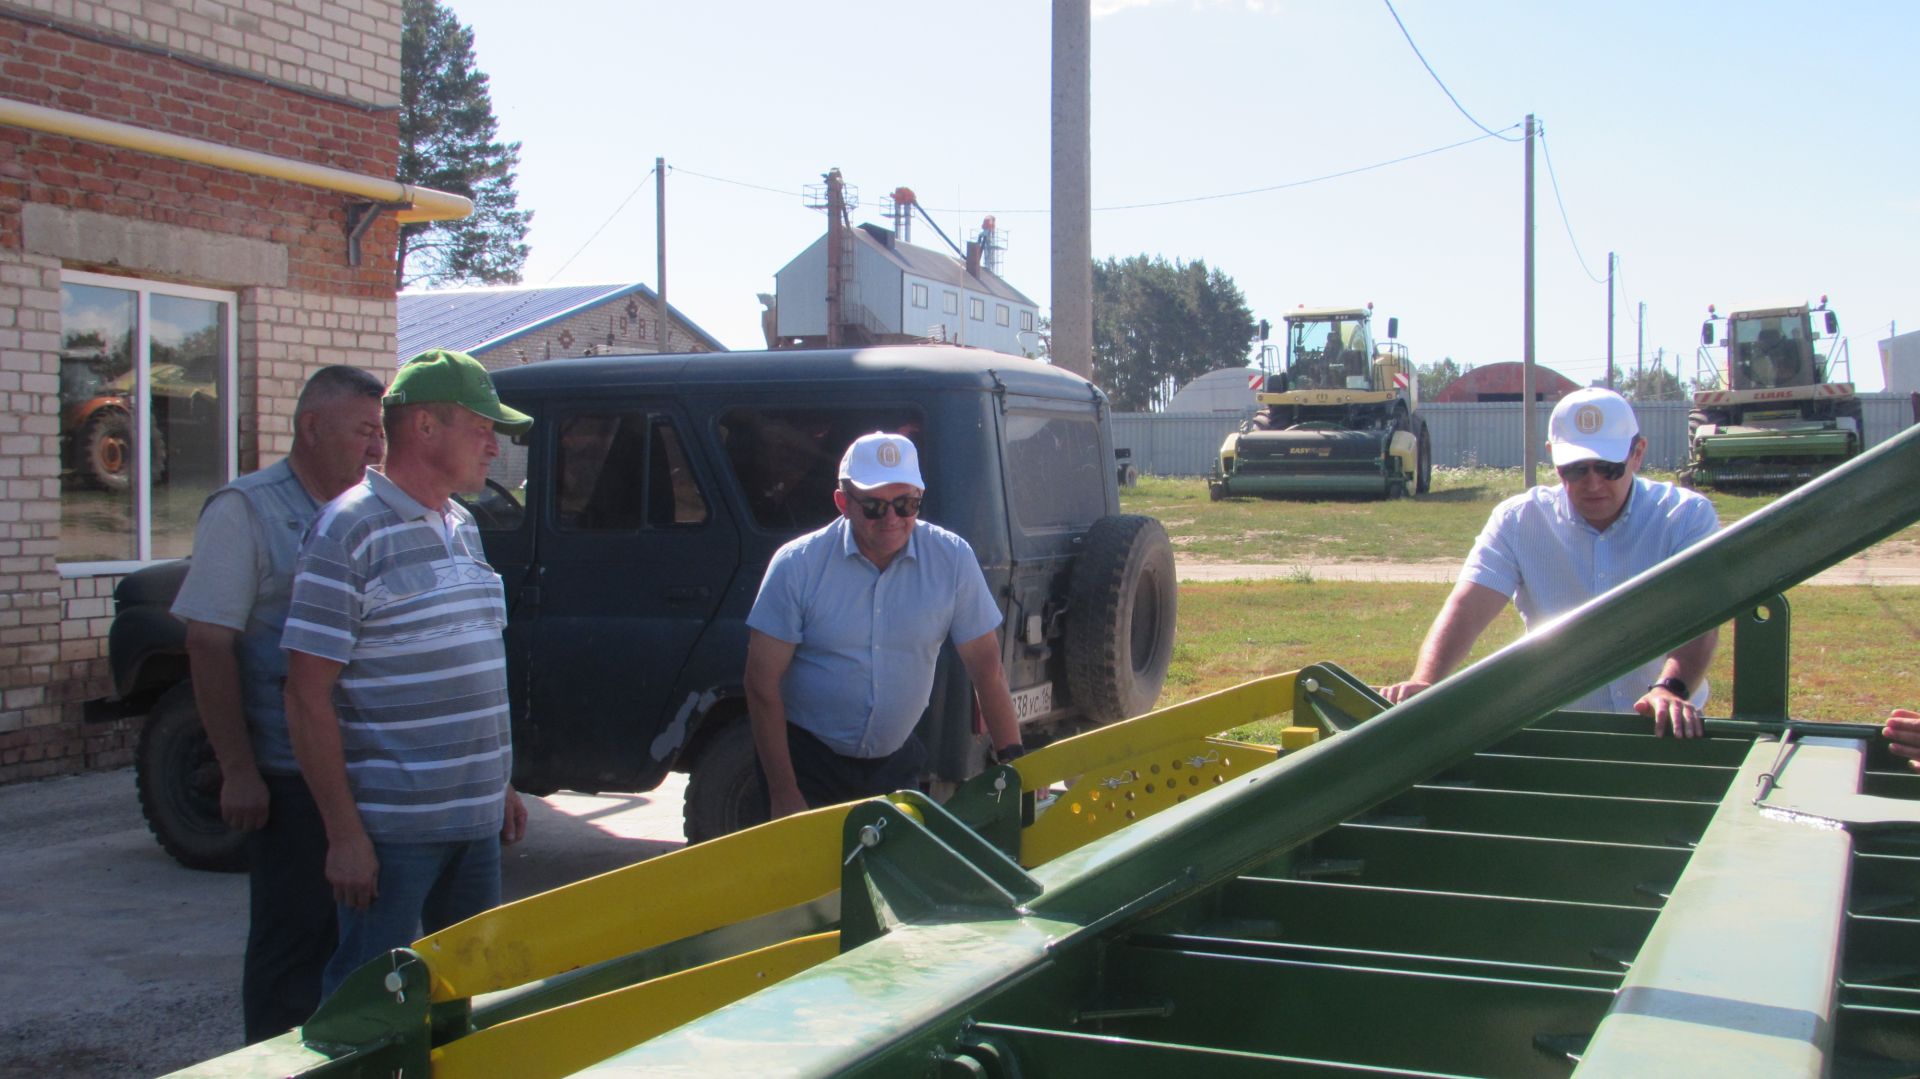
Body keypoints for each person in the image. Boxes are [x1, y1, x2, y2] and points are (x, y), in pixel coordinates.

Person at [281, 348, 532, 995]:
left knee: (464, 1000)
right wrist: (343, 833)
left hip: (474, 826)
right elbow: (307, 694)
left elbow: (472, 664)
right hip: (393, 835)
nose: (494, 450)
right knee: (371, 1007)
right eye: (482, 430)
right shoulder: (347, 530)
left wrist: (496, 783)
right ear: (424, 426)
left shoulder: (463, 525)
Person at [169, 365, 386, 1042]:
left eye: (382, 431)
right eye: (363, 431)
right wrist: (236, 767)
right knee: (293, 950)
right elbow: (208, 642)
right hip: (290, 778)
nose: (377, 447)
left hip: (369, 775)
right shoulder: (247, 509)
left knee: (361, 957)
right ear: (311, 427)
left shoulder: (369, 510)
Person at [1382, 387, 1720, 737]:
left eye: (1608, 468)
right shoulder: (1518, 520)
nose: (1592, 482)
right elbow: (1468, 608)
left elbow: (1702, 615)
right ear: (1552, 458)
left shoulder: (1684, 515)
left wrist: (1671, 689)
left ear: (1637, 454)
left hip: (1663, 726)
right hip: (1558, 726)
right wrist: (1425, 681)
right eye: (1575, 469)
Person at [745, 431, 1024, 819]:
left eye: (906, 504)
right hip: (807, 763)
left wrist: (1015, 764)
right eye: (875, 506)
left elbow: (987, 669)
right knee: (811, 880)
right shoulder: (797, 566)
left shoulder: (952, 559)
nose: (892, 518)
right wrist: (784, 791)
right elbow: (761, 683)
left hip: (896, 763)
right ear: (843, 502)